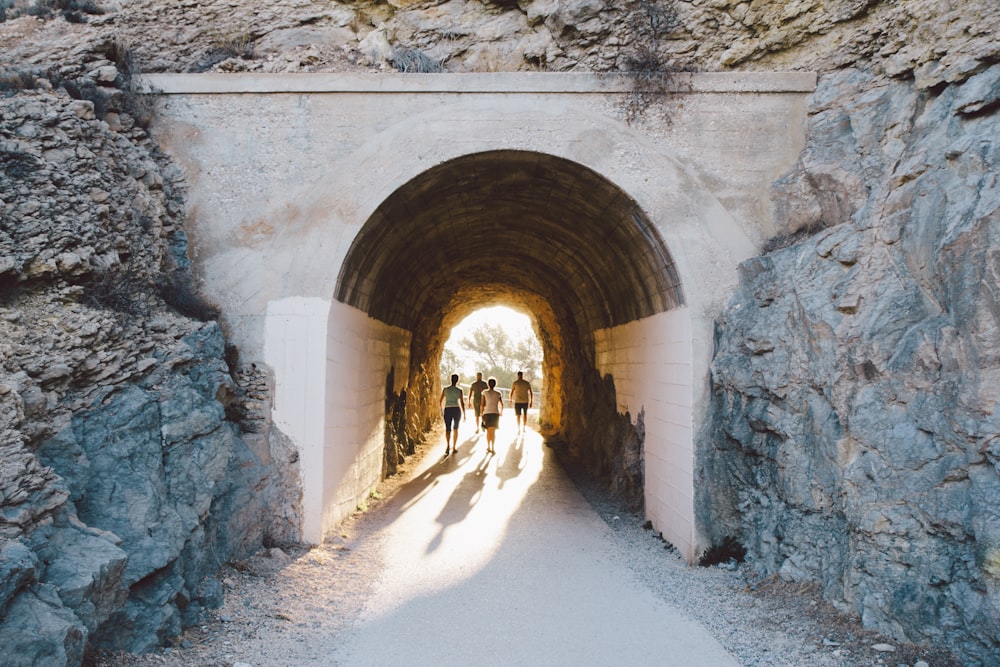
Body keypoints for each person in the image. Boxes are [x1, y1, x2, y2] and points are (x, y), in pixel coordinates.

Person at [439, 373, 465, 456]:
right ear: (457, 380)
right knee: (456, 428)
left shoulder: (445, 389)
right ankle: (454, 447)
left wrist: (441, 410)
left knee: (448, 429)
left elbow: (440, 400)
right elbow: (462, 402)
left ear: (450, 379)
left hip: (448, 409)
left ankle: (447, 445)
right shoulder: (459, 390)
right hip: (456, 409)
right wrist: (464, 414)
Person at [480, 377, 503, 454]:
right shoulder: (498, 393)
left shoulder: (484, 392)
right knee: (493, 431)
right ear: (495, 384)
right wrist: (501, 412)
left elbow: (482, 405)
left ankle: (488, 446)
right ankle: (493, 447)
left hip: (487, 413)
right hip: (495, 413)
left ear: (488, 384)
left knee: (488, 431)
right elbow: (501, 404)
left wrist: (481, 414)